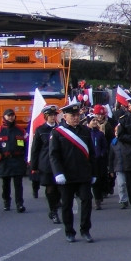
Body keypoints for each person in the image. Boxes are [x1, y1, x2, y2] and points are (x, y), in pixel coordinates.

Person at [48, 103, 97, 243]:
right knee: (67, 204)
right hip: (66, 175)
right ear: (65, 117)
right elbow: (54, 155)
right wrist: (58, 173)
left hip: (83, 174)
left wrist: (94, 173)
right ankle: (69, 231)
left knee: (86, 201)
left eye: (77, 115)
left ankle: (85, 230)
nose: (76, 118)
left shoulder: (85, 131)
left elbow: (92, 154)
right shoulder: (57, 133)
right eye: (72, 116)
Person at [0, 108, 28, 212]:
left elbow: (28, 145)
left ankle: (19, 204)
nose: (10, 117)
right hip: (5, 161)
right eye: (8, 116)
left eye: (12, 115)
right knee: (6, 184)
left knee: (18, 184)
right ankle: (6, 202)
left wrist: (28, 158)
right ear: (4, 117)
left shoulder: (21, 130)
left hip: (18, 160)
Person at [30, 104, 62, 223]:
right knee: (50, 188)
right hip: (46, 163)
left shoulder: (60, 129)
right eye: (50, 115)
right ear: (46, 117)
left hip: (59, 162)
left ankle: (56, 203)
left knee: (60, 188)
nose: (53, 117)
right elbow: (35, 149)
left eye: (54, 115)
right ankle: (53, 211)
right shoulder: (40, 130)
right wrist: (34, 166)